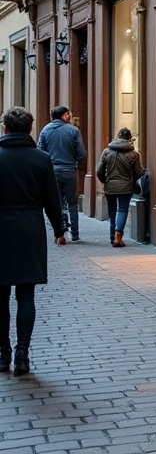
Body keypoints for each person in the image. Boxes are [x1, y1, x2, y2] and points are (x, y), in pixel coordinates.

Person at [0, 106, 66, 376]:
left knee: (0, 296)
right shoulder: (41, 159)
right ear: (30, 129)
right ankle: (22, 355)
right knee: (26, 294)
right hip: (29, 229)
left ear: (4, 129)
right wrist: (59, 229)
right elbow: (52, 199)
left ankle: (2, 354)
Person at [37, 105, 87, 242]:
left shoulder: (45, 130)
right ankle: (75, 233)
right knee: (72, 203)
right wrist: (81, 167)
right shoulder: (73, 130)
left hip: (52, 171)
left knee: (57, 202)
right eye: (68, 114)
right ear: (64, 115)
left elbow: (40, 151)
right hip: (70, 170)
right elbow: (81, 153)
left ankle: (60, 233)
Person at [96, 128, 144, 248]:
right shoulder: (134, 154)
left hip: (110, 186)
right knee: (122, 210)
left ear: (117, 137)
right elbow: (138, 172)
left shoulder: (107, 151)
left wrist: (105, 181)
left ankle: (113, 237)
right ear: (129, 138)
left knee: (112, 212)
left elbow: (99, 170)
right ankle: (118, 236)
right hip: (126, 187)